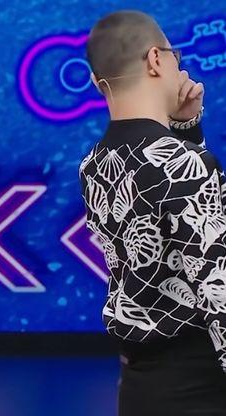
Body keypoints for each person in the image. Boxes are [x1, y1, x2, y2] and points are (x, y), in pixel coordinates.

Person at [80, 10, 226, 416]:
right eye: (175, 55)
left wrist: (185, 129)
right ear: (155, 59)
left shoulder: (92, 165)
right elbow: (217, 287)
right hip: (200, 384)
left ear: (96, 81)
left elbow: (164, 232)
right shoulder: (184, 163)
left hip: (140, 384)